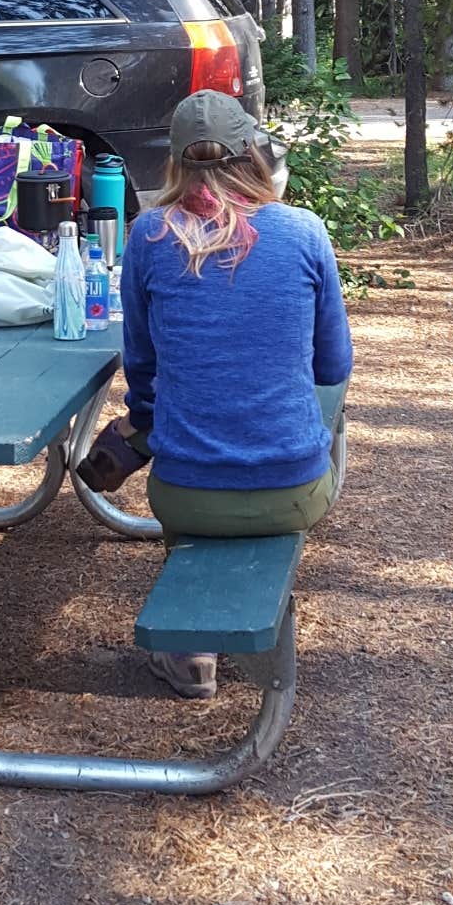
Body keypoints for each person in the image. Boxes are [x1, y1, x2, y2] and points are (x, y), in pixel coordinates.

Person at [118, 89, 353, 697]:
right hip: (296, 489)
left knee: (176, 440)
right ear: (257, 154)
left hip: (186, 495)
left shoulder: (146, 238)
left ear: (173, 162)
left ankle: (190, 651)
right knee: (326, 420)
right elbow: (334, 368)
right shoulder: (305, 231)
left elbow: (141, 372)